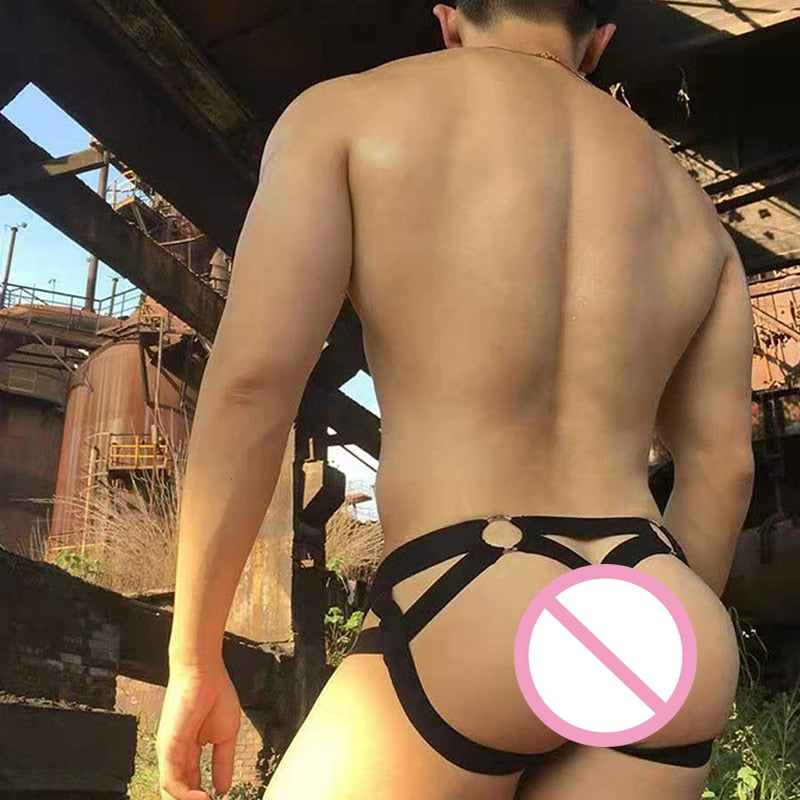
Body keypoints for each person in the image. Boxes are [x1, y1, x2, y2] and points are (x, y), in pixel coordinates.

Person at [156, 1, 756, 798]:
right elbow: (723, 469)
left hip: (469, 591)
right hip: (654, 605)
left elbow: (253, 386)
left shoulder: (343, 116)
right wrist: (657, 631)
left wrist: (194, 658)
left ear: (448, 20)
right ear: (598, 43)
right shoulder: (695, 212)